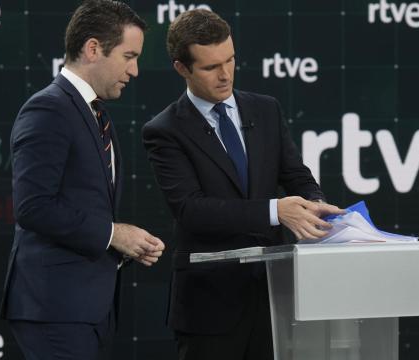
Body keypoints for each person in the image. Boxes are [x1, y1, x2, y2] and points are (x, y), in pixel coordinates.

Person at [142, 9, 344, 360]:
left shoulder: (266, 110)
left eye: (230, 60)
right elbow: (191, 209)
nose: (225, 75)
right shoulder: (164, 131)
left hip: (272, 297)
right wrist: (276, 211)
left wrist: (315, 205)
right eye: (210, 67)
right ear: (181, 68)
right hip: (210, 307)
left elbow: (296, 175)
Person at [0, 1, 165, 359]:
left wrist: (120, 243)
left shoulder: (94, 113)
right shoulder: (48, 108)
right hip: (55, 308)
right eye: (129, 56)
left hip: (86, 308)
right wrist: (114, 234)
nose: (135, 70)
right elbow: (33, 207)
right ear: (93, 49)